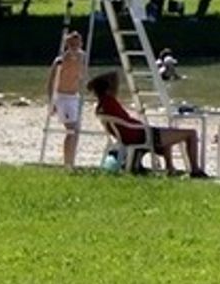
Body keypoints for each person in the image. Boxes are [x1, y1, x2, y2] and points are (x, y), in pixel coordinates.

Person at [88, 71, 207, 178]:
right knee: (191, 133)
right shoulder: (110, 101)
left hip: (134, 135)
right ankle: (195, 170)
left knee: (168, 134)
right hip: (141, 135)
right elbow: (114, 76)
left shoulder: (102, 105)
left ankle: (170, 168)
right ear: (109, 88)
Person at [44, 29, 87, 168]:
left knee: (76, 130)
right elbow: (51, 82)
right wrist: (51, 102)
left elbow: (83, 77)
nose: (75, 47)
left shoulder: (83, 57)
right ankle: (67, 163)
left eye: (77, 43)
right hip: (62, 97)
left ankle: (71, 161)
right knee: (71, 129)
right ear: (67, 44)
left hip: (74, 97)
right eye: (72, 44)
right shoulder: (60, 60)